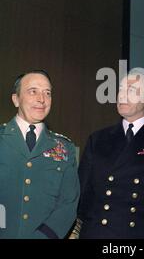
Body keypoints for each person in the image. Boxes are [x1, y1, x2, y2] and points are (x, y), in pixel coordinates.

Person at [71, 70, 144, 239]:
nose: (122, 95)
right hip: (96, 232)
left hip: (135, 234)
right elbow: (82, 194)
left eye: (131, 90)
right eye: (121, 90)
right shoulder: (98, 139)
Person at [0, 70, 80, 239]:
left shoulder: (65, 148)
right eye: (33, 91)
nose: (41, 99)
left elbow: (68, 204)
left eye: (47, 93)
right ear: (16, 99)